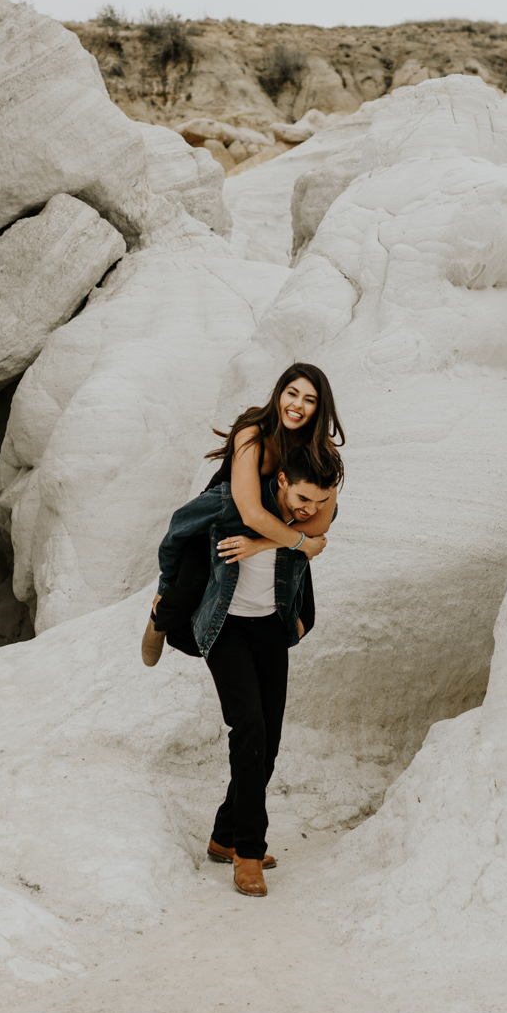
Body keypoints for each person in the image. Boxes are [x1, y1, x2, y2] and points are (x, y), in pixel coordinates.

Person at [144, 364, 345, 897]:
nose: (298, 404)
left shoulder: (317, 459)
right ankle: (248, 853)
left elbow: (322, 518)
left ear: (320, 408)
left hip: (266, 614)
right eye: (291, 393)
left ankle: (225, 834)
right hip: (228, 533)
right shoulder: (255, 434)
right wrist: (286, 537)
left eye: (309, 398)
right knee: (192, 560)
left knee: (268, 740)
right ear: (279, 394)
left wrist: (276, 540)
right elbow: (252, 510)